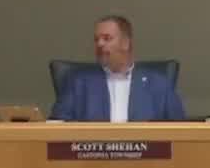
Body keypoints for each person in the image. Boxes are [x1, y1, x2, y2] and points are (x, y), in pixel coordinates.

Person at [49, 15, 186, 122]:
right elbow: (56, 127)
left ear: (125, 43)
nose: (99, 44)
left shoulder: (159, 84)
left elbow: (180, 131)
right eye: (96, 39)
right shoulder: (78, 83)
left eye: (107, 38)